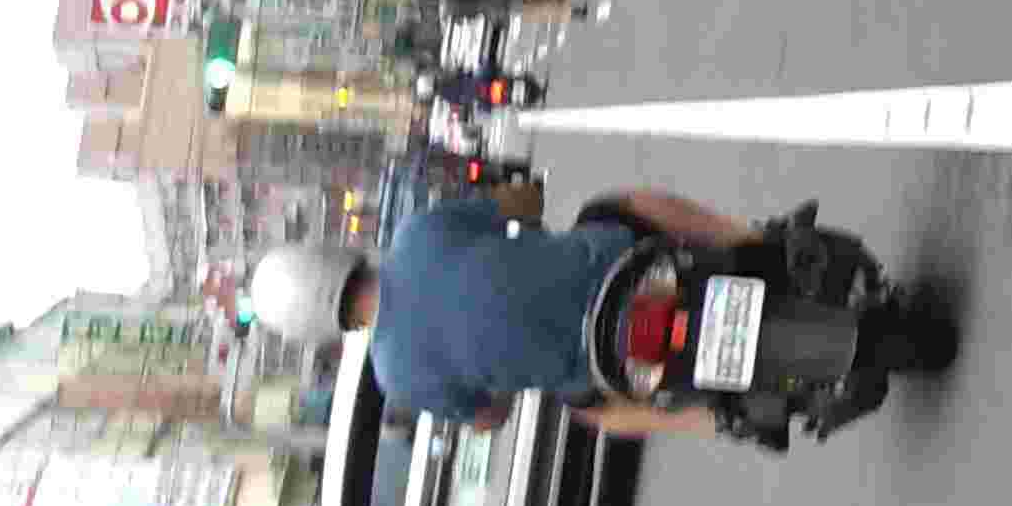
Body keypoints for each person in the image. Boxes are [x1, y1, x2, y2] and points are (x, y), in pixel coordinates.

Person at [246, 194, 755, 442]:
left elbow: (489, 416)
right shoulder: (416, 232)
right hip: (619, 260)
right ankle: (750, 240)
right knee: (617, 204)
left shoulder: (396, 377)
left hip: (601, 365)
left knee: (596, 413)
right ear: (331, 254)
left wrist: (502, 365)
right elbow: (517, 206)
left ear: (317, 331)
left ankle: (720, 416)